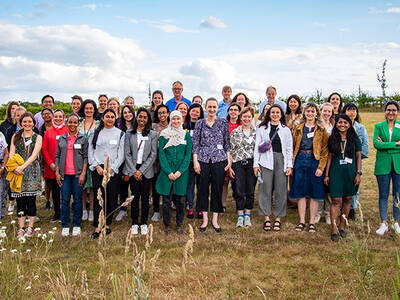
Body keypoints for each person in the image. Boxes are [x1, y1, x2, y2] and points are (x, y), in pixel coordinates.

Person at [192, 98, 231, 233]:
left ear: (217, 108)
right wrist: (195, 161)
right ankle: (205, 219)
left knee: (217, 188)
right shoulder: (200, 123)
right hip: (202, 158)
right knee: (202, 188)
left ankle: (215, 218)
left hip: (219, 159)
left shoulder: (223, 123)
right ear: (205, 107)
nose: (212, 109)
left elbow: (227, 143)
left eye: (214, 107)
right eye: (210, 107)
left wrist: (229, 160)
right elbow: (195, 143)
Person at [290, 103, 328, 233]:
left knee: (314, 192)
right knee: (300, 192)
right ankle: (302, 221)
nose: (310, 113)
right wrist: (292, 164)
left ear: (317, 113)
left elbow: (324, 151)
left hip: (314, 160)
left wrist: (321, 167)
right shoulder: (298, 128)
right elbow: (293, 146)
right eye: (308, 111)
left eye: (313, 111)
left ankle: (312, 221)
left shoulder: (321, 130)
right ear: (304, 113)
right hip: (300, 159)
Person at [254, 104, 293, 232]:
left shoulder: (286, 130)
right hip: (265, 161)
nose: (275, 115)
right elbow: (257, 148)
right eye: (273, 112)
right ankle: (266, 217)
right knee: (265, 188)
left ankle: (278, 218)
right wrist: (256, 164)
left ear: (281, 114)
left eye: (277, 112)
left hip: (281, 160)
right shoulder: (261, 128)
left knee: (281, 189)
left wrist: (289, 165)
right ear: (268, 114)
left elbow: (288, 149)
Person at [324, 114, 362, 242]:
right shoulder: (332, 139)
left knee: (348, 198)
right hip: (336, 171)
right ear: (336, 124)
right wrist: (327, 174)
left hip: (350, 172)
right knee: (336, 199)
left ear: (350, 124)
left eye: (345, 123)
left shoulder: (355, 139)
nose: (342, 125)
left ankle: (342, 227)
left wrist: (358, 173)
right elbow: (329, 157)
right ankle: (334, 229)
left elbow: (358, 157)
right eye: (340, 122)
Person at [88, 108, 125, 239]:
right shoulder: (94, 133)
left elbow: (121, 154)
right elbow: (90, 151)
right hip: (98, 169)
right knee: (99, 197)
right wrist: (96, 165)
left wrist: (112, 168)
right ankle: (98, 225)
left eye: (112, 117)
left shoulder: (120, 134)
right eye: (107, 116)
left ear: (115, 119)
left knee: (111, 197)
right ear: (102, 118)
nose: (109, 119)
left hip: (112, 170)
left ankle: (107, 224)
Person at [156, 110, 192, 234]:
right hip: (167, 172)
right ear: (170, 120)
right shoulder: (164, 135)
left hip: (181, 173)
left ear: (181, 120)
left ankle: (179, 224)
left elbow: (188, 156)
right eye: (173, 119)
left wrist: (179, 172)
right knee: (166, 200)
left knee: (181, 200)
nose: (176, 121)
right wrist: (168, 171)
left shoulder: (185, 135)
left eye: (178, 119)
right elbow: (162, 154)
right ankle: (167, 224)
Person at [7, 112, 42, 237]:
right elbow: (12, 152)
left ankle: (30, 227)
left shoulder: (37, 137)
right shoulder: (16, 136)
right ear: (21, 123)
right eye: (25, 122)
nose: (27, 124)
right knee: (20, 200)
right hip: (17, 171)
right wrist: (15, 166)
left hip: (31, 171)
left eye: (29, 121)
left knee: (31, 200)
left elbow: (34, 155)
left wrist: (23, 166)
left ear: (33, 123)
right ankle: (21, 227)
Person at [123, 108, 157, 235]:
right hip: (133, 168)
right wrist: (134, 171)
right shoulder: (129, 133)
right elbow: (127, 153)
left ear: (148, 119)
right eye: (140, 116)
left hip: (146, 170)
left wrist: (141, 171)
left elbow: (153, 154)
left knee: (145, 197)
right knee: (134, 197)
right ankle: (134, 222)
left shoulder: (152, 134)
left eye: (145, 117)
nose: (142, 119)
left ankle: (143, 222)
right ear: (136, 118)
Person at [55, 114, 88, 237]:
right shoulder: (62, 139)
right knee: (65, 200)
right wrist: (57, 172)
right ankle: (65, 224)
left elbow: (85, 157)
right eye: (70, 122)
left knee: (78, 199)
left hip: (77, 175)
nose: (72, 125)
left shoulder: (83, 139)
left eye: (75, 123)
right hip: (64, 175)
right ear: (66, 123)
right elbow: (57, 156)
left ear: (78, 124)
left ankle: (76, 224)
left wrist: (83, 174)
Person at [373, 101, 400, 235]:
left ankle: (396, 222)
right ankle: (383, 223)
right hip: (383, 165)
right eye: (388, 109)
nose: (391, 112)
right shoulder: (378, 126)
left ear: (397, 112)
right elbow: (377, 145)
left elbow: (382, 145)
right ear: (385, 111)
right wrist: (396, 144)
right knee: (383, 194)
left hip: (398, 164)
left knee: (397, 194)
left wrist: (386, 144)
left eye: (394, 110)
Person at [229, 107, 257, 227]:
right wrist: (230, 166)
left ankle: (247, 215)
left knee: (250, 190)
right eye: (244, 116)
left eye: (249, 116)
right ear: (241, 117)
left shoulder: (256, 132)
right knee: (239, 190)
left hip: (252, 163)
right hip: (238, 163)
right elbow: (230, 150)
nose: (246, 119)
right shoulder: (235, 132)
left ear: (252, 118)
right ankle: (240, 215)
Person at [342, 103, 369, 220]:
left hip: (355, 162)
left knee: (354, 185)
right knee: (342, 184)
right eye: (349, 110)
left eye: (354, 110)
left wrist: (355, 158)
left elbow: (365, 147)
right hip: (341, 161)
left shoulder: (361, 128)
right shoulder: (340, 126)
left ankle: (352, 209)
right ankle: (340, 208)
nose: (352, 112)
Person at [42, 109, 68, 222]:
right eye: (56, 116)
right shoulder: (48, 132)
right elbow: (44, 149)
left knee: (65, 191)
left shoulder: (67, 130)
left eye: (60, 116)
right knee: (55, 192)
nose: (58, 119)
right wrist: (50, 163)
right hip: (52, 167)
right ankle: (57, 213)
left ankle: (65, 213)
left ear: (63, 117)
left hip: (66, 166)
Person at [78, 99, 99, 222]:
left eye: (91, 108)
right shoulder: (79, 123)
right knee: (81, 185)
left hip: (93, 157)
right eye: (86, 108)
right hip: (79, 157)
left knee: (91, 186)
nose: (89, 110)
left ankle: (91, 210)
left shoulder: (98, 124)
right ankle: (83, 210)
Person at [183, 103, 204, 219]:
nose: (195, 113)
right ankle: (190, 207)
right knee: (190, 185)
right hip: (188, 161)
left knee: (201, 185)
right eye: (193, 110)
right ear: (189, 111)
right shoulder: (184, 126)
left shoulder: (203, 126)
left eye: (197, 111)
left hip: (200, 160)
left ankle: (200, 208)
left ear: (200, 114)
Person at [116, 105, 135, 222]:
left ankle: (134, 208)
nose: (127, 114)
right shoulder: (119, 128)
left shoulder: (137, 126)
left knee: (134, 186)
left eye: (129, 112)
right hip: (122, 160)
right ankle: (123, 209)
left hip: (134, 160)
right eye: (125, 113)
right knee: (122, 186)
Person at [316, 102, 335, 224]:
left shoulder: (334, 126)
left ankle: (328, 213)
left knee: (329, 188)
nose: (326, 113)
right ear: (321, 111)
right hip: (319, 159)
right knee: (319, 187)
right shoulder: (317, 125)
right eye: (324, 111)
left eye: (329, 111)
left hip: (332, 159)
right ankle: (317, 213)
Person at [150, 104, 170, 222]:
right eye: (160, 113)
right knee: (156, 185)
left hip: (169, 161)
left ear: (168, 114)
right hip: (155, 160)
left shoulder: (173, 126)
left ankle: (168, 207)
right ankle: (156, 210)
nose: (162, 115)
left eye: (164, 112)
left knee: (168, 184)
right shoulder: (153, 127)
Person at [221, 103, 241, 210]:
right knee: (224, 182)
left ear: (239, 112)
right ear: (228, 112)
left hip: (238, 157)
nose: (233, 112)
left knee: (238, 182)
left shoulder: (242, 125)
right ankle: (223, 204)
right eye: (231, 109)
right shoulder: (224, 124)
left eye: (236, 110)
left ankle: (239, 204)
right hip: (225, 155)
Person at [0, 131, 9, 218]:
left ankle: (1, 214)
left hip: (2, 165)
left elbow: (6, 153)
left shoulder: (1, 134)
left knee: (2, 191)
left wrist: (2, 167)